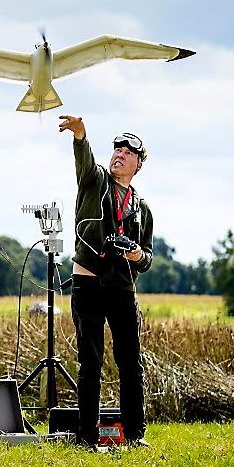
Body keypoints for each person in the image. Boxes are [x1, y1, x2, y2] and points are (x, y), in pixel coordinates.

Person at [57, 115, 154, 448]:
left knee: (130, 363)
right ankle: (87, 438)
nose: (119, 153)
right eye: (117, 147)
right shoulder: (94, 180)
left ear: (138, 165)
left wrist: (135, 254)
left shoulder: (142, 209)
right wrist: (80, 134)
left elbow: (148, 259)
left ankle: (135, 435)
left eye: (128, 151)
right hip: (87, 283)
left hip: (123, 289)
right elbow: (84, 158)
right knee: (91, 363)